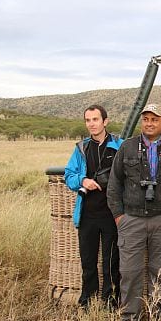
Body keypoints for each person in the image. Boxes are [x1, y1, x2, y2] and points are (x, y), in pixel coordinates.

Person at [106, 103, 161, 321]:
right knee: (129, 271)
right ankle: (129, 319)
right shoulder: (127, 147)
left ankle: (156, 319)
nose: (150, 123)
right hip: (132, 218)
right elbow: (114, 184)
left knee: (160, 271)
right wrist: (119, 216)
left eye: (155, 119)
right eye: (146, 119)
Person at [64, 104, 123, 309]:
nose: (92, 124)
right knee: (88, 261)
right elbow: (68, 175)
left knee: (110, 262)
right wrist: (83, 181)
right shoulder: (81, 148)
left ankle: (111, 302)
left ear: (105, 121)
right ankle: (87, 302)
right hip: (87, 213)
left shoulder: (120, 146)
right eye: (88, 120)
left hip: (111, 213)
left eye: (95, 119)